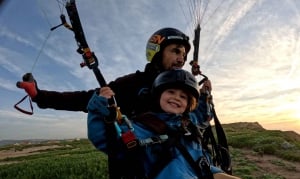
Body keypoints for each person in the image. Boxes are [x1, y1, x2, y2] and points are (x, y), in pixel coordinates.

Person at [87, 69, 256, 179]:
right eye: (171, 92)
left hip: (202, 171)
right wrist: (100, 106)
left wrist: (205, 95)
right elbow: (105, 137)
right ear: (159, 94)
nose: (177, 98)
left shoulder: (188, 122)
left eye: (183, 96)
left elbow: (203, 116)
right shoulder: (143, 125)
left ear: (188, 105)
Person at [17, 27, 211, 120]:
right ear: (158, 53)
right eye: (175, 51)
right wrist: (40, 96)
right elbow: (84, 99)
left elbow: (199, 118)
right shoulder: (134, 83)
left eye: (184, 55)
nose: (181, 59)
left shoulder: (185, 90)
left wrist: (205, 97)